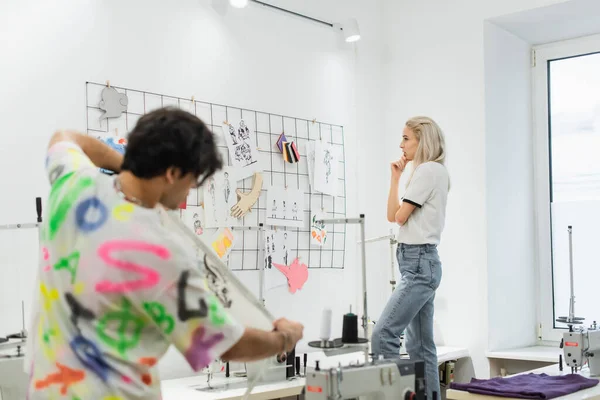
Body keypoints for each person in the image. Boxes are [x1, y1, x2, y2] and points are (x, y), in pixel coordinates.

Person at [26, 107, 304, 400]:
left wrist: (127, 167)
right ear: (171, 173)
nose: (192, 189)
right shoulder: (159, 253)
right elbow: (226, 344)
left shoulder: (73, 186)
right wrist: (283, 338)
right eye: (193, 178)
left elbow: (64, 138)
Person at [371, 116, 449, 399]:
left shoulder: (427, 170)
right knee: (420, 347)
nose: (400, 144)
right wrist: (395, 178)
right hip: (420, 263)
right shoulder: (432, 172)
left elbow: (400, 217)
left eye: (406, 138)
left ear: (422, 140)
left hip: (417, 264)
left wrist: (402, 181)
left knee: (382, 336)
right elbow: (392, 216)